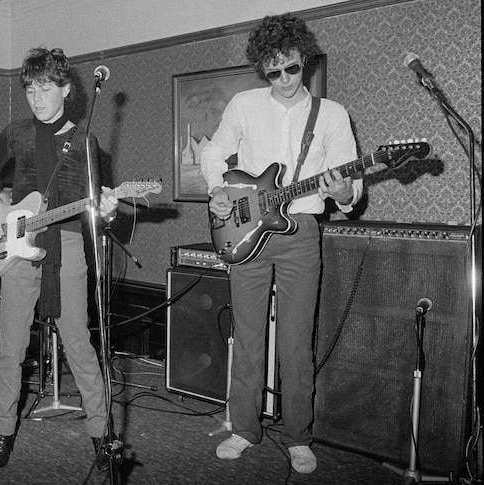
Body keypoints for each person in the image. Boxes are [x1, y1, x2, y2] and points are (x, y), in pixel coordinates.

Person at [200, 14, 361, 475]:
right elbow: (214, 152)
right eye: (274, 72)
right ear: (262, 69)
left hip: (302, 233)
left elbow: (352, 186)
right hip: (248, 232)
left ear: (304, 60)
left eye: (291, 68)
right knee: (247, 336)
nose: (285, 79)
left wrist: (342, 191)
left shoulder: (331, 115)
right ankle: (244, 428)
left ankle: (298, 437)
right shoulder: (246, 104)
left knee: (295, 341)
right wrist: (218, 189)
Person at [0, 46, 119, 471]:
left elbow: (95, 203)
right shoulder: (15, 132)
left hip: (67, 244)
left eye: (46, 88)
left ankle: (101, 434)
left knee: (79, 343)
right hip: (16, 246)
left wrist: (106, 208)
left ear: (67, 90)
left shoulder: (84, 141)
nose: (37, 97)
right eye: (30, 89)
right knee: (11, 344)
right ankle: (2, 430)